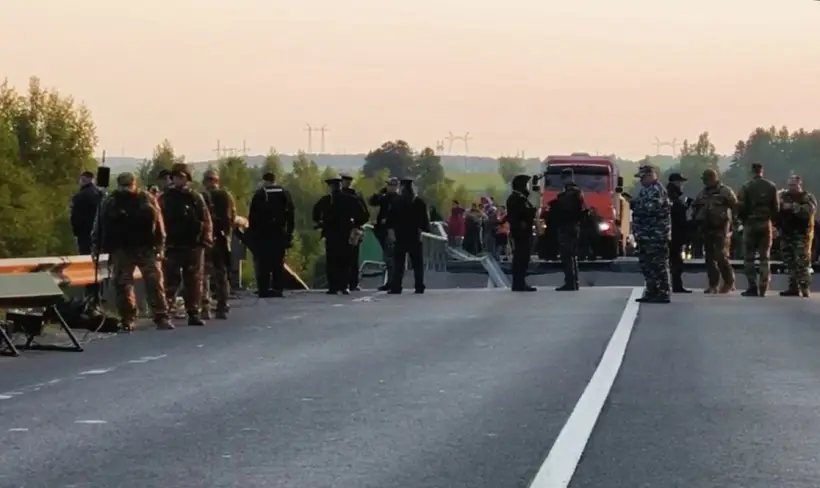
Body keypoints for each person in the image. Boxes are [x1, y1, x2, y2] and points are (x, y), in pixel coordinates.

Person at [93, 172, 172, 331]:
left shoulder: (146, 199)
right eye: (123, 186)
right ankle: (128, 318)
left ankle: (161, 316)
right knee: (123, 285)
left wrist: (160, 245)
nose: (126, 189)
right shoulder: (111, 201)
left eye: (129, 185)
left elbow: (159, 223)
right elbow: (99, 224)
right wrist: (96, 246)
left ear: (135, 184)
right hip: (122, 248)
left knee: (154, 283)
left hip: (146, 247)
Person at [158, 163, 213, 325]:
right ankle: (165, 313)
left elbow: (206, 219)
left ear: (187, 179)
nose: (179, 180)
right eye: (176, 177)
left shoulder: (195, 197)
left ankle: (193, 313)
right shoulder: (165, 198)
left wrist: (206, 239)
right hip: (172, 246)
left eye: (182, 177)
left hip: (193, 246)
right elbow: (157, 221)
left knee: (194, 282)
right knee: (169, 282)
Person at [313, 176, 364, 294]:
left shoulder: (326, 200)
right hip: (346, 233)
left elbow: (315, 214)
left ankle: (333, 286)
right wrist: (356, 225)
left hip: (331, 234)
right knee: (345, 260)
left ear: (330, 187)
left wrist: (320, 222)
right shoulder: (351, 199)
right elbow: (362, 215)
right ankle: (344, 285)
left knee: (332, 260)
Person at [248, 171, 295, 298]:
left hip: (263, 235)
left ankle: (263, 289)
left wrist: (253, 234)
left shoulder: (260, 194)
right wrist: (289, 233)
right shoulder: (285, 193)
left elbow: (252, 217)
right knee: (278, 262)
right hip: (280, 233)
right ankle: (277, 288)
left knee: (263, 263)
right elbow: (291, 215)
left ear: (264, 181)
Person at [692, 168, 738, 294]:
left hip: (721, 227)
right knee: (709, 258)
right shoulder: (702, 193)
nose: (705, 182)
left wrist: (735, 224)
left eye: (707, 179)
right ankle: (713, 284)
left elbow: (735, 207)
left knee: (721, 255)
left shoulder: (725, 191)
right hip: (706, 228)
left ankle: (729, 281)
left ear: (714, 178)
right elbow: (696, 207)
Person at [736, 163, 778, 297]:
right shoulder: (771, 186)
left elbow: (741, 206)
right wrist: (771, 220)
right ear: (762, 171)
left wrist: (742, 220)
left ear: (751, 171)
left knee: (749, 257)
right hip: (765, 224)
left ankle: (752, 287)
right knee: (764, 257)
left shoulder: (746, 187)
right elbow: (776, 207)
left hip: (750, 224)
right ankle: (763, 287)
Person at [631, 164, 672, 303]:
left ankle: (663, 292)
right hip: (646, 234)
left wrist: (636, 206)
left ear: (650, 175)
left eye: (642, 177)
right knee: (647, 264)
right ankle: (652, 290)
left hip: (655, 234)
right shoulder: (646, 190)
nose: (640, 180)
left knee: (658, 264)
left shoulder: (656, 190)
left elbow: (651, 209)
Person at [201, 169, 236, 316]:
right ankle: (222, 305)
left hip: (206, 239)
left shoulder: (201, 196)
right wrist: (228, 233)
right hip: (220, 238)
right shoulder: (226, 195)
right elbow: (232, 216)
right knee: (220, 273)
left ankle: (205, 307)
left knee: (204, 274)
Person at [386, 177, 430, 294]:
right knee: (417, 263)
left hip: (400, 235)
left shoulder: (396, 201)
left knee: (399, 263)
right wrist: (423, 229)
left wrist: (391, 232)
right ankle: (419, 285)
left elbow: (390, 219)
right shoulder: (419, 202)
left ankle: (396, 286)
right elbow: (425, 221)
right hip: (415, 235)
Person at [777, 174, 816, 297]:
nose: (791, 187)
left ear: (799, 184)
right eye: (789, 185)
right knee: (789, 261)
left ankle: (804, 287)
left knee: (802, 261)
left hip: (801, 234)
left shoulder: (806, 197)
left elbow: (810, 211)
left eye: (793, 185)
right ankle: (793, 287)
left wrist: (793, 207)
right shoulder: (784, 196)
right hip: (786, 233)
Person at [553, 168, 586, 291]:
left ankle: (570, 282)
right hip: (573, 226)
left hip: (568, 226)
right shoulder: (576, 192)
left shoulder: (571, 194)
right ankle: (573, 281)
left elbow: (567, 210)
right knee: (571, 255)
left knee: (567, 255)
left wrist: (556, 206)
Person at [505, 174, 537, 292]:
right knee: (520, 258)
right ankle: (519, 283)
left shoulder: (519, 198)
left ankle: (520, 282)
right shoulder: (517, 199)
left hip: (522, 232)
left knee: (523, 257)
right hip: (521, 233)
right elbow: (523, 214)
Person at [368, 177, 400, 291]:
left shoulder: (397, 199)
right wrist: (380, 192)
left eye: (391, 185)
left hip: (391, 231)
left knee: (391, 257)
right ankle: (390, 281)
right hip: (382, 230)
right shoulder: (385, 198)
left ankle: (392, 282)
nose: (388, 187)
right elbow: (372, 201)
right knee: (388, 257)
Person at [340, 173, 370, 291]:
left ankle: (344, 283)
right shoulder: (356, 196)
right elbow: (365, 214)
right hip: (353, 229)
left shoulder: (338, 195)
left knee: (344, 257)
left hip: (344, 230)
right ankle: (352, 283)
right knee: (353, 257)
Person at [666, 172, 692, 293]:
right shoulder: (671, 195)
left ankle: (676, 285)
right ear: (675, 182)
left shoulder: (672, 194)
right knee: (676, 260)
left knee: (675, 260)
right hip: (674, 233)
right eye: (680, 182)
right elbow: (676, 212)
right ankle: (676, 285)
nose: (682, 184)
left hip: (673, 232)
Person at [71, 170, 104, 255]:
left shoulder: (80, 196)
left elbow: (75, 216)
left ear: (83, 180)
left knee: (85, 255)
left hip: (84, 232)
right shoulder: (100, 194)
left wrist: (76, 231)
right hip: (98, 232)